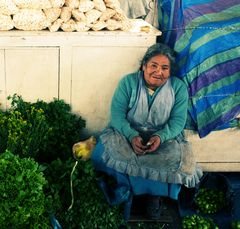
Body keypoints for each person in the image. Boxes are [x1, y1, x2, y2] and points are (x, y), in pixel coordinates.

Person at [91, 43, 202, 220]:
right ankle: (126, 190)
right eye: (153, 66)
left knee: (178, 159)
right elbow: (117, 115)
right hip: (127, 132)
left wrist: (160, 137)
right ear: (144, 66)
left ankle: (154, 197)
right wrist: (132, 136)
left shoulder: (178, 88)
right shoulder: (129, 82)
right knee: (107, 152)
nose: (159, 72)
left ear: (170, 71)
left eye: (165, 68)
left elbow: (177, 122)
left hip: (163, 136)